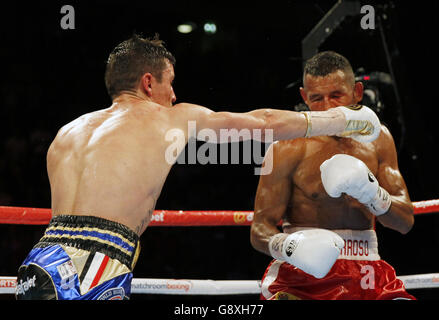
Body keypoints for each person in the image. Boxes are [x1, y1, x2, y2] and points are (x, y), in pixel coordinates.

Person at [15, 35, 380, 300]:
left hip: (41, 260)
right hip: (93, 266)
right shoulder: (168, 118)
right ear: (148, 82)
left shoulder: (67, 133)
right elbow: (261, 122)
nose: (173, 95)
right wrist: (342, 120)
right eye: (169, 84)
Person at [251, 51, 415, 300]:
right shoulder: (285, 146)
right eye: (317, 98)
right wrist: (289, 247)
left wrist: (373, 193)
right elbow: (259, 230)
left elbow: (404, 222)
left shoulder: (379, 139)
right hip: (301, 277)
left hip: (369, 269)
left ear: (357, 92)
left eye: (336, 96)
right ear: (305, 98)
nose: (327, 108)